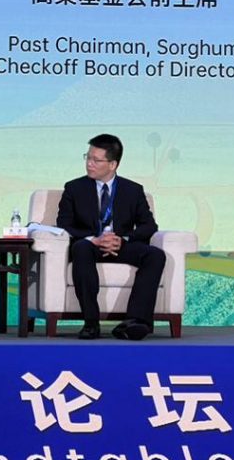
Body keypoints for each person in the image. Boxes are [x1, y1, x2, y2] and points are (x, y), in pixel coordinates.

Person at [56, 133, 165, 341]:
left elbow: (149, 226)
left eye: (96, 160)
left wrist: (123, 239)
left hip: (120, 244)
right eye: (87, 158)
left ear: (113, 164)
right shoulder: (74, 188)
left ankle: (135, 322)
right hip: (90, 245)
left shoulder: (133, 190)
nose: (89, 164)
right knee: (81, 248)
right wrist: (93, 239)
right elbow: (64, 224)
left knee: (155, 255)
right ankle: (90, 323)